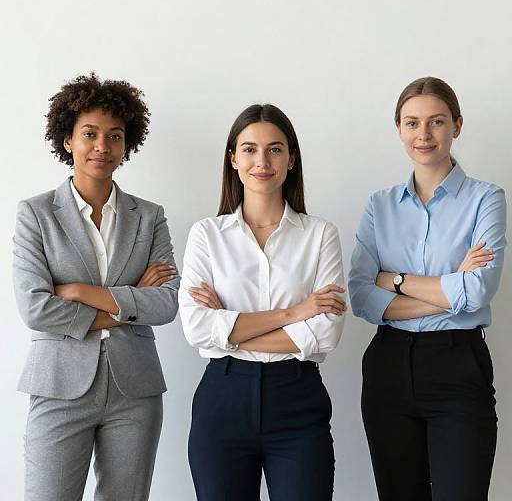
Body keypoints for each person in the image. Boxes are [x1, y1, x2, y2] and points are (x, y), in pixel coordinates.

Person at [13, 73, 180, 500]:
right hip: (59, 384)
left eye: (115, 136)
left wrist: (74, 290)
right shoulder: (35, 214)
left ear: (127, 144)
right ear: (68, 139)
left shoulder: (149, 215)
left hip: (135, 391)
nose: (102, 146)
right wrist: (127, 305)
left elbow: (166, 304)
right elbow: (35, 308)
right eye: (90, 133)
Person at [348, 76, 507, 501]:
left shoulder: (486, 199)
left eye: (436, 122)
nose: (424, 134)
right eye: (412, 123)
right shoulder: (379, 206)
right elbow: (362, 296)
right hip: (388, 366)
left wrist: (395, 282)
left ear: (456, 124)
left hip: (459, 365)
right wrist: (449, 289)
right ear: (398, 128)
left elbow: (477, 293)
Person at [178, 104, 346, 501]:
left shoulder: (320, 234)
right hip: (223, 400)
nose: (262, 161)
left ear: (291, 159)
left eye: (274, 149)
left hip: (297, 400)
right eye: (249, 149)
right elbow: (197, 329)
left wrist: (228, 328)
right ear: (233, 159)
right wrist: (294, 313)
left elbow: (325, 334)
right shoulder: (207, 234)